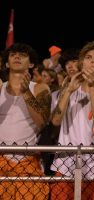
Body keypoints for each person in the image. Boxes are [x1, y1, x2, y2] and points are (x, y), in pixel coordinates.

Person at [50, 41, 94, 199]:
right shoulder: (68, 90)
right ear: (81, 63)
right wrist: (69, 90)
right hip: (64, 166)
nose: (92, 61)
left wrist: (92, 87)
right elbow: (55, 121)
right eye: (88, 57)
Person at [0, 43, 50, 199]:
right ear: (7, 63)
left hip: (28, 165)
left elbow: (42, 122)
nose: (17, 56)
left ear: (31, 63)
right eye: (13, 54)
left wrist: (25, 92)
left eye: (22, 54)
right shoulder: (0, 88)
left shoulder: (40, 88)